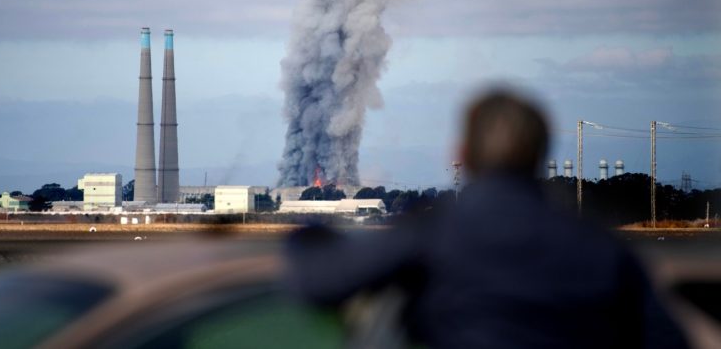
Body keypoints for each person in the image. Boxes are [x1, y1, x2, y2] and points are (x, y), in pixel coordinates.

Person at [286, 89, 688, 348]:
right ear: (540, 155)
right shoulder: (602, 248)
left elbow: (322, 281)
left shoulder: (437, 230)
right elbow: (667, 338)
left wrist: (308, 234)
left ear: (460, 153)